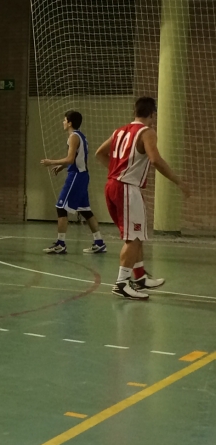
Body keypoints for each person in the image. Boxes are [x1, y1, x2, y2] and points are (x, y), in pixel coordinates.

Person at [95, 97, 190, 301]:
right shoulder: (147, 132)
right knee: (134, 238)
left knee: (135, 235)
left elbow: (99, 153)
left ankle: (139, 277)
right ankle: (121, 284)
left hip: (112, 186)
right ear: (152, 114)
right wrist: (179, 182)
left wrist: (117, 171)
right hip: (126, 188)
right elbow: (155, 160)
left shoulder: (119, 131)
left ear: (135, 112)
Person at [40, 110, 106, 255]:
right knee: (85, 211)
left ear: (70, 123)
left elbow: (70, 159)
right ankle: (99, 242)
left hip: (76, 176)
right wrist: (61, 166)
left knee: (61, 208)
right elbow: (75, 158)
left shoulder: (73, 137)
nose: (63, 122)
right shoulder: (80, 136)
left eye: (64, 120)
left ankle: (60, 244)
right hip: (82, 175)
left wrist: (51, 162)